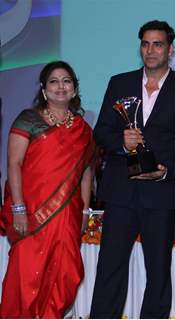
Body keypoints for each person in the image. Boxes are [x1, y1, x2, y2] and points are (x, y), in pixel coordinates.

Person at [90, 20, 175, 319]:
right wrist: (121, 144)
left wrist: (166, 171)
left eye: (158, 44)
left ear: (171, 49)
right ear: (140, 47)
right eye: (145, 43)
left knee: (158, 271)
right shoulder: (119, 83)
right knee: (110, 266)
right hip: (121, 192)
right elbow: (101, 132)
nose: (150, 50)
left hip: (162, 193)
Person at [0, 61, 95, 318]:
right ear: (44, 89)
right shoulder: (28, 119)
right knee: (26, 276)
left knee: (66, 275)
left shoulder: (83, 130)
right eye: (53, 81)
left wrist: (85, 211)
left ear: (74, 89)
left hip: (67, 216)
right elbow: (14, 164)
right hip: (31, 214)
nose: (60, 87)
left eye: (66, 81)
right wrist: (18, 208)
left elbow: (87, 172)